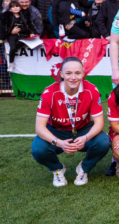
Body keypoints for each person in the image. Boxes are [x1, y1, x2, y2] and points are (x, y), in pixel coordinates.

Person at [30, 58, 111, 187]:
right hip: (57, 131)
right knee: (38, 149)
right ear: (61, 74)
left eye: (77, 73)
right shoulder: (49, 93)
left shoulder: (92, 90)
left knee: (104, 141)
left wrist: (86, 137)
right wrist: (58, 142)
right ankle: (57, 169)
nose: (73, 77)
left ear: (83, 73)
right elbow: (39, 127)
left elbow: (99, 123)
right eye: (68, 73)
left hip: (83, 129)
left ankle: (84, 168)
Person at [0, 0, 35, 70]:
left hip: (22, 35)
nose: (15, 8)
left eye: (17, 6)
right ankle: (11, 64)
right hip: (11, 35)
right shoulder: (7, 16)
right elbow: (3, 28)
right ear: (10, 9)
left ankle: (12, 51)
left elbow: (29, 25)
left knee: (22, 43)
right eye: (13, 7)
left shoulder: (24, 15)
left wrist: (31, 33)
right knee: (13, 48)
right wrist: (10, 32)